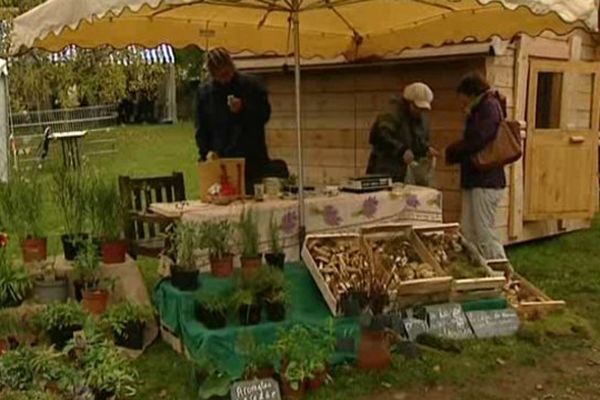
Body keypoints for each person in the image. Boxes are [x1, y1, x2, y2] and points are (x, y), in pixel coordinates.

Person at [195, 48, 284, 195]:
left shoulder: (251, 85)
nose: (226, 78)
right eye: (221, 75)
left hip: (251, 161)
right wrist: (205, 152)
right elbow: (201, 128)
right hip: (221, 161)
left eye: (228, 72)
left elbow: (264, 115)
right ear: (213, 74)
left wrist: (243, 109)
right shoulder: (205, 94)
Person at [445, 72, 507, 260]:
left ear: (470, 93)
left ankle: (500, 269)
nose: (460, 101)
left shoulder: (488, 107)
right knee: (469, 230)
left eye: (462, 96)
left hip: (485, 180)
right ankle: (479, 269)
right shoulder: (481, 108)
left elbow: (478, 138)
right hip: (476, 179)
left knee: (483, 230)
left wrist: (453, 151)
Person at [366, 82, 437, 185]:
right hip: (384, 171)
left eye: (422, 109)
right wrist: (401, 150)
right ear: (408, 102)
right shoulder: (391, 113)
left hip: (404, 174)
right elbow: (381, 137)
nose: (419, 111)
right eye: (417, 107)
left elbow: (418, 141)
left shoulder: (420, 120)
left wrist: (426, 149)